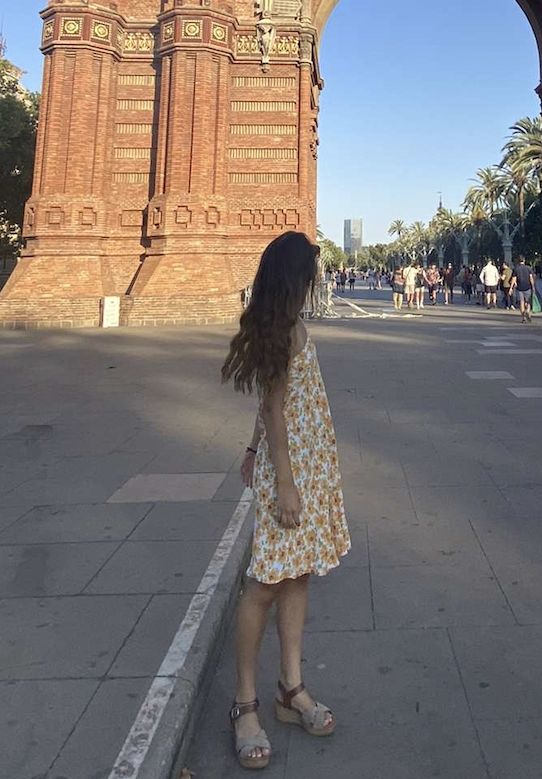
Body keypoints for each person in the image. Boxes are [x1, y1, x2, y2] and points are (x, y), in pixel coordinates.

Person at [222, 232, 350, 770]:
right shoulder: (286, 330)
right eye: (311, 275)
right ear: (295, 279)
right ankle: (245, 705)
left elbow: (268, 403)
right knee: (262, 586)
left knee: (296, 575)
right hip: (294, 475)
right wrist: (287, 483)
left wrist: (252, 450)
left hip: (307, 468)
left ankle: (289, 689)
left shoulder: (285, 326)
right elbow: (274, 409)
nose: (315, 283)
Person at [510, 256, 535, 323]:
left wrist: (511, 288)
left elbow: (513, 279)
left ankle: (523, 317)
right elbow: (531, 278)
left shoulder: (516, 269)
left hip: (519, 288)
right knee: (528, 302)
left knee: (521, 302)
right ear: (524, 260)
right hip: (528, 287)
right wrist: (533, 287)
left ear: (518, 261)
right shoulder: (528, 268)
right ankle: (527, 311)